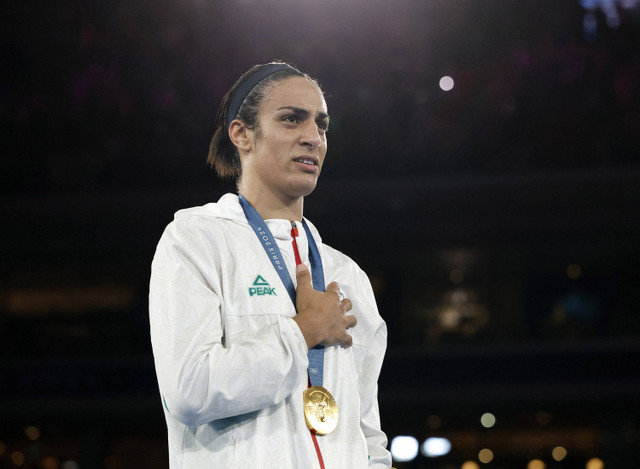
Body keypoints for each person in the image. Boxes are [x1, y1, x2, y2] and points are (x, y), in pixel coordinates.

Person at [149, 61, 391, 468]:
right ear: (242, 134)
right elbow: (190, 390)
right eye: (291, 120)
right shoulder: (195, 240)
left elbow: (367, 434)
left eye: (321, 125)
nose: (312, 137)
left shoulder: (346, 275)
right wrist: (303, 333)